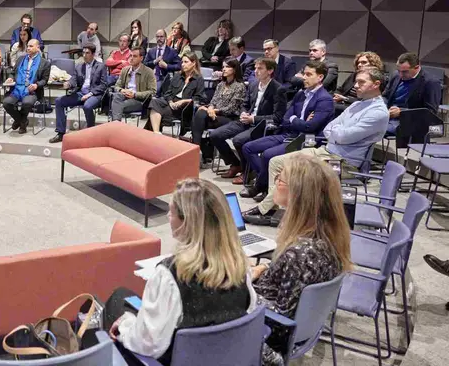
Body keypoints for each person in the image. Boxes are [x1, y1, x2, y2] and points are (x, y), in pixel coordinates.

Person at [107, 178, 256, 366]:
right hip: (227, 359)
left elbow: (149, 345)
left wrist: (125, 326)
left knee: (117, 301)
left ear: (187, 222)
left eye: (171, 211)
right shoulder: (241, 267)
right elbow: (247, 317)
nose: (168, 217)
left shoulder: (169, 275)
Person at [244, 67, 389, 226]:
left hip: (343, 163)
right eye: (356, 81)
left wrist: (337, 133)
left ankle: (267, 210)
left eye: (361, 82)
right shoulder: (357, 105)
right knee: (276, 162)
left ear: (376, 84)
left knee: (292, 169)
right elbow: (330, 128)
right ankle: (277, 209)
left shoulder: (378, 112)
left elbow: (343, 136)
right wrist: (337, 133)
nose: (355, 86)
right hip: (326, 151)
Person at [250, 154, 351, 365]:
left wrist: (240, 286)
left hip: (266, 337)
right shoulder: (326, 237)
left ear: (298, 194)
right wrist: (263, 268)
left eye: (281, 179)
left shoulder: (299, 254)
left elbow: (281, 317)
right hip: (290, 322)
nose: (276, 181)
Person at [240, 61, 335, 202]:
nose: (304, 77)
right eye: (304, 74)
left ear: (320, 77)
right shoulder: (300, 94)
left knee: (268, 155)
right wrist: (298, 121)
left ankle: (262, 186)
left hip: (306, 140)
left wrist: (294, 119)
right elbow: (284, 119)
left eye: (309, 74)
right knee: (248, 147)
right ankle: (265, 182)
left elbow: (310, 127)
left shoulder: (325, 100)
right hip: (288, 133)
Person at [210, 57, 287, 183]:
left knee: (238, 140)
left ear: (270, 70)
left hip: (261, 125)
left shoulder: (278, 89)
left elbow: (277, 117)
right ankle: (236, 164)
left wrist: (253, 119)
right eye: (255, 68)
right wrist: (243, 113)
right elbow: (245, 104)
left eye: (260, 68)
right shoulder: (253, 84)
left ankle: (248, 172)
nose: (256, 71)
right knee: (215, 135)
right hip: (246, 120)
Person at [49, 44, 108, 143]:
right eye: (83, 53)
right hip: (81, 93)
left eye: (87, 53)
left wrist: (90, 94)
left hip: (94, 94)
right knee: (59, 101)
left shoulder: (101, 66)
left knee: (87, 106)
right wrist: (69, 84)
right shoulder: (79, 66)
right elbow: (74, 79)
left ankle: (91, 132)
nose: (84, 55)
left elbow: (103, 85)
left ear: (93, 54)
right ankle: (60, 133)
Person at [191, 59, 246, 155]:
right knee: (199, 115)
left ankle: (196, 149)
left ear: (235, 69)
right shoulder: (220, 84)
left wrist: (213, 111)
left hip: (229, 118)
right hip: (213, 115)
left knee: (198, 118)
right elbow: (213, 101)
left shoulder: (240, 86)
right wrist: (210, 108)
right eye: (223, 67)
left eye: (227, 67)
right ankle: (198, 150)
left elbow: (232, 108)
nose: (224, 69)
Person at [145, 52, 206, 134]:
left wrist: (183, 101)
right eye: (182, 62)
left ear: (194, 63)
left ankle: (153, 133)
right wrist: (170, 102)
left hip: (184, 108)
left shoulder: (199, 79)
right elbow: (168, 93)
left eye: (186, 62)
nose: (183, 65)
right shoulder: (178, 76)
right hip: (171, 103)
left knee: (157, 111)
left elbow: (199, 99)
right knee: (154, 101)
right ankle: (156, 132)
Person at [382, 52, 442, 136]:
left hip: (410, 121)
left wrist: (401, 112)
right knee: (363, 124)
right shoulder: (396, 75)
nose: (400, 75)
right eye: (399, 70)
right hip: (388, 116)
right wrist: (383, 107)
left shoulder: (430, 82)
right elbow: (385, 96)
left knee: (375, 131)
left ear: (417, 67)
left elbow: (430, 113)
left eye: (404, 72)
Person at [3, 39, 50, 134]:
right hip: (17, 89)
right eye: (28, 46)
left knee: (27, 103)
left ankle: (20, 122)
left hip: (32, 90)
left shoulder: (45, 63)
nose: (28, 48)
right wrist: (10, 78)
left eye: (31, 46)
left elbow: (45, 80)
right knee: (6, 103)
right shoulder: (20, 59)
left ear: (38, 47)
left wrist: (36, 85)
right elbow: (12, 73)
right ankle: (22, 121)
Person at [110, 48, 156, 122]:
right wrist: (122, 90)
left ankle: (115, 125)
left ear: (141, 58)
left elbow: (152, 91)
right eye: (130, 56)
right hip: (124, 96)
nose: (131, 58)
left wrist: (134, 94)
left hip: (138, 100)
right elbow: (116, 86)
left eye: (134, 56)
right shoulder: (125, 70)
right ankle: (116, 125)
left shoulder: (149, 72)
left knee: (117, 105)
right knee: (117, 96)